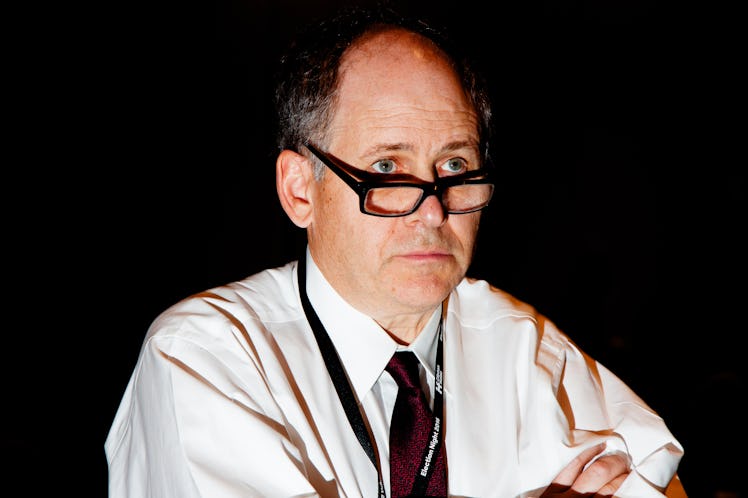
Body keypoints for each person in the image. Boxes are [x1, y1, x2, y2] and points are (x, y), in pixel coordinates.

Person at [105, 5, 686, 497]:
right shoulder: (204, 356)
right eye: (387, 168)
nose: (433, 210)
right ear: (299, 190)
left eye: (455, 166)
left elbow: (664, 477)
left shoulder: (514, 341)